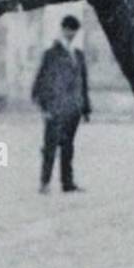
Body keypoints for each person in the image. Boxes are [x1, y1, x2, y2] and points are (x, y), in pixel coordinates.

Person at [31, 14, 91, 194]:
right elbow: (40, 82)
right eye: (69, 30)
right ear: (62, 29)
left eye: (74, 31)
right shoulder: (51, 54)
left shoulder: (78, 55)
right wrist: (44, 107)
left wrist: (86, 108)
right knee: (50, 146)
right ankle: (45, 182)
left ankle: (67, 182)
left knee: (68, 147)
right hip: (55, 108)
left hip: (73, 108)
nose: (71, 34)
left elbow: (83, 83)